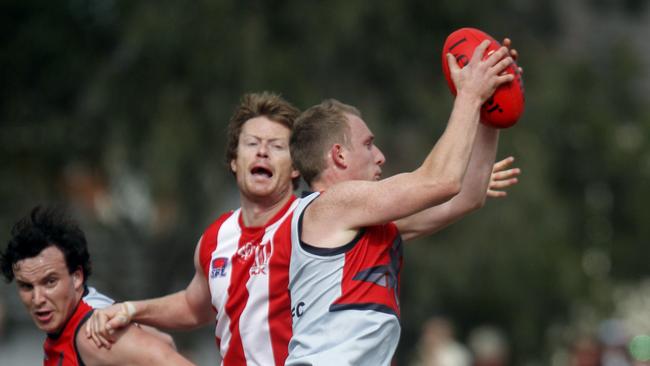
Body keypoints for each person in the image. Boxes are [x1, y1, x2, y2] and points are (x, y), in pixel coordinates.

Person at [283, 39, 517, 365]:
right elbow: (442, 181)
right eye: (368, 144)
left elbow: (467, 195)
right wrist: (469, 95)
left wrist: (490, 107)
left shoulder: (365, 224)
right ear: (338, 155)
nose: (380, 156)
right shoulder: (331, 205)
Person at [86, 92, 303, 365]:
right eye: (252, 143)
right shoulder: (216, 238)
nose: (262, 151)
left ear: (295, 166)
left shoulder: (312, 221)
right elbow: (193, 306)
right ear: (234, 161)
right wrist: (131, 309)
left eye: (276, 146)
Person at [0, 206, 194, 366]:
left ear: (76, 277)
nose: (38, 299)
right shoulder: (88, 315)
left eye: (50, 282)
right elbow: (165, 341)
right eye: (26, 286)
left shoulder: (92, 335)